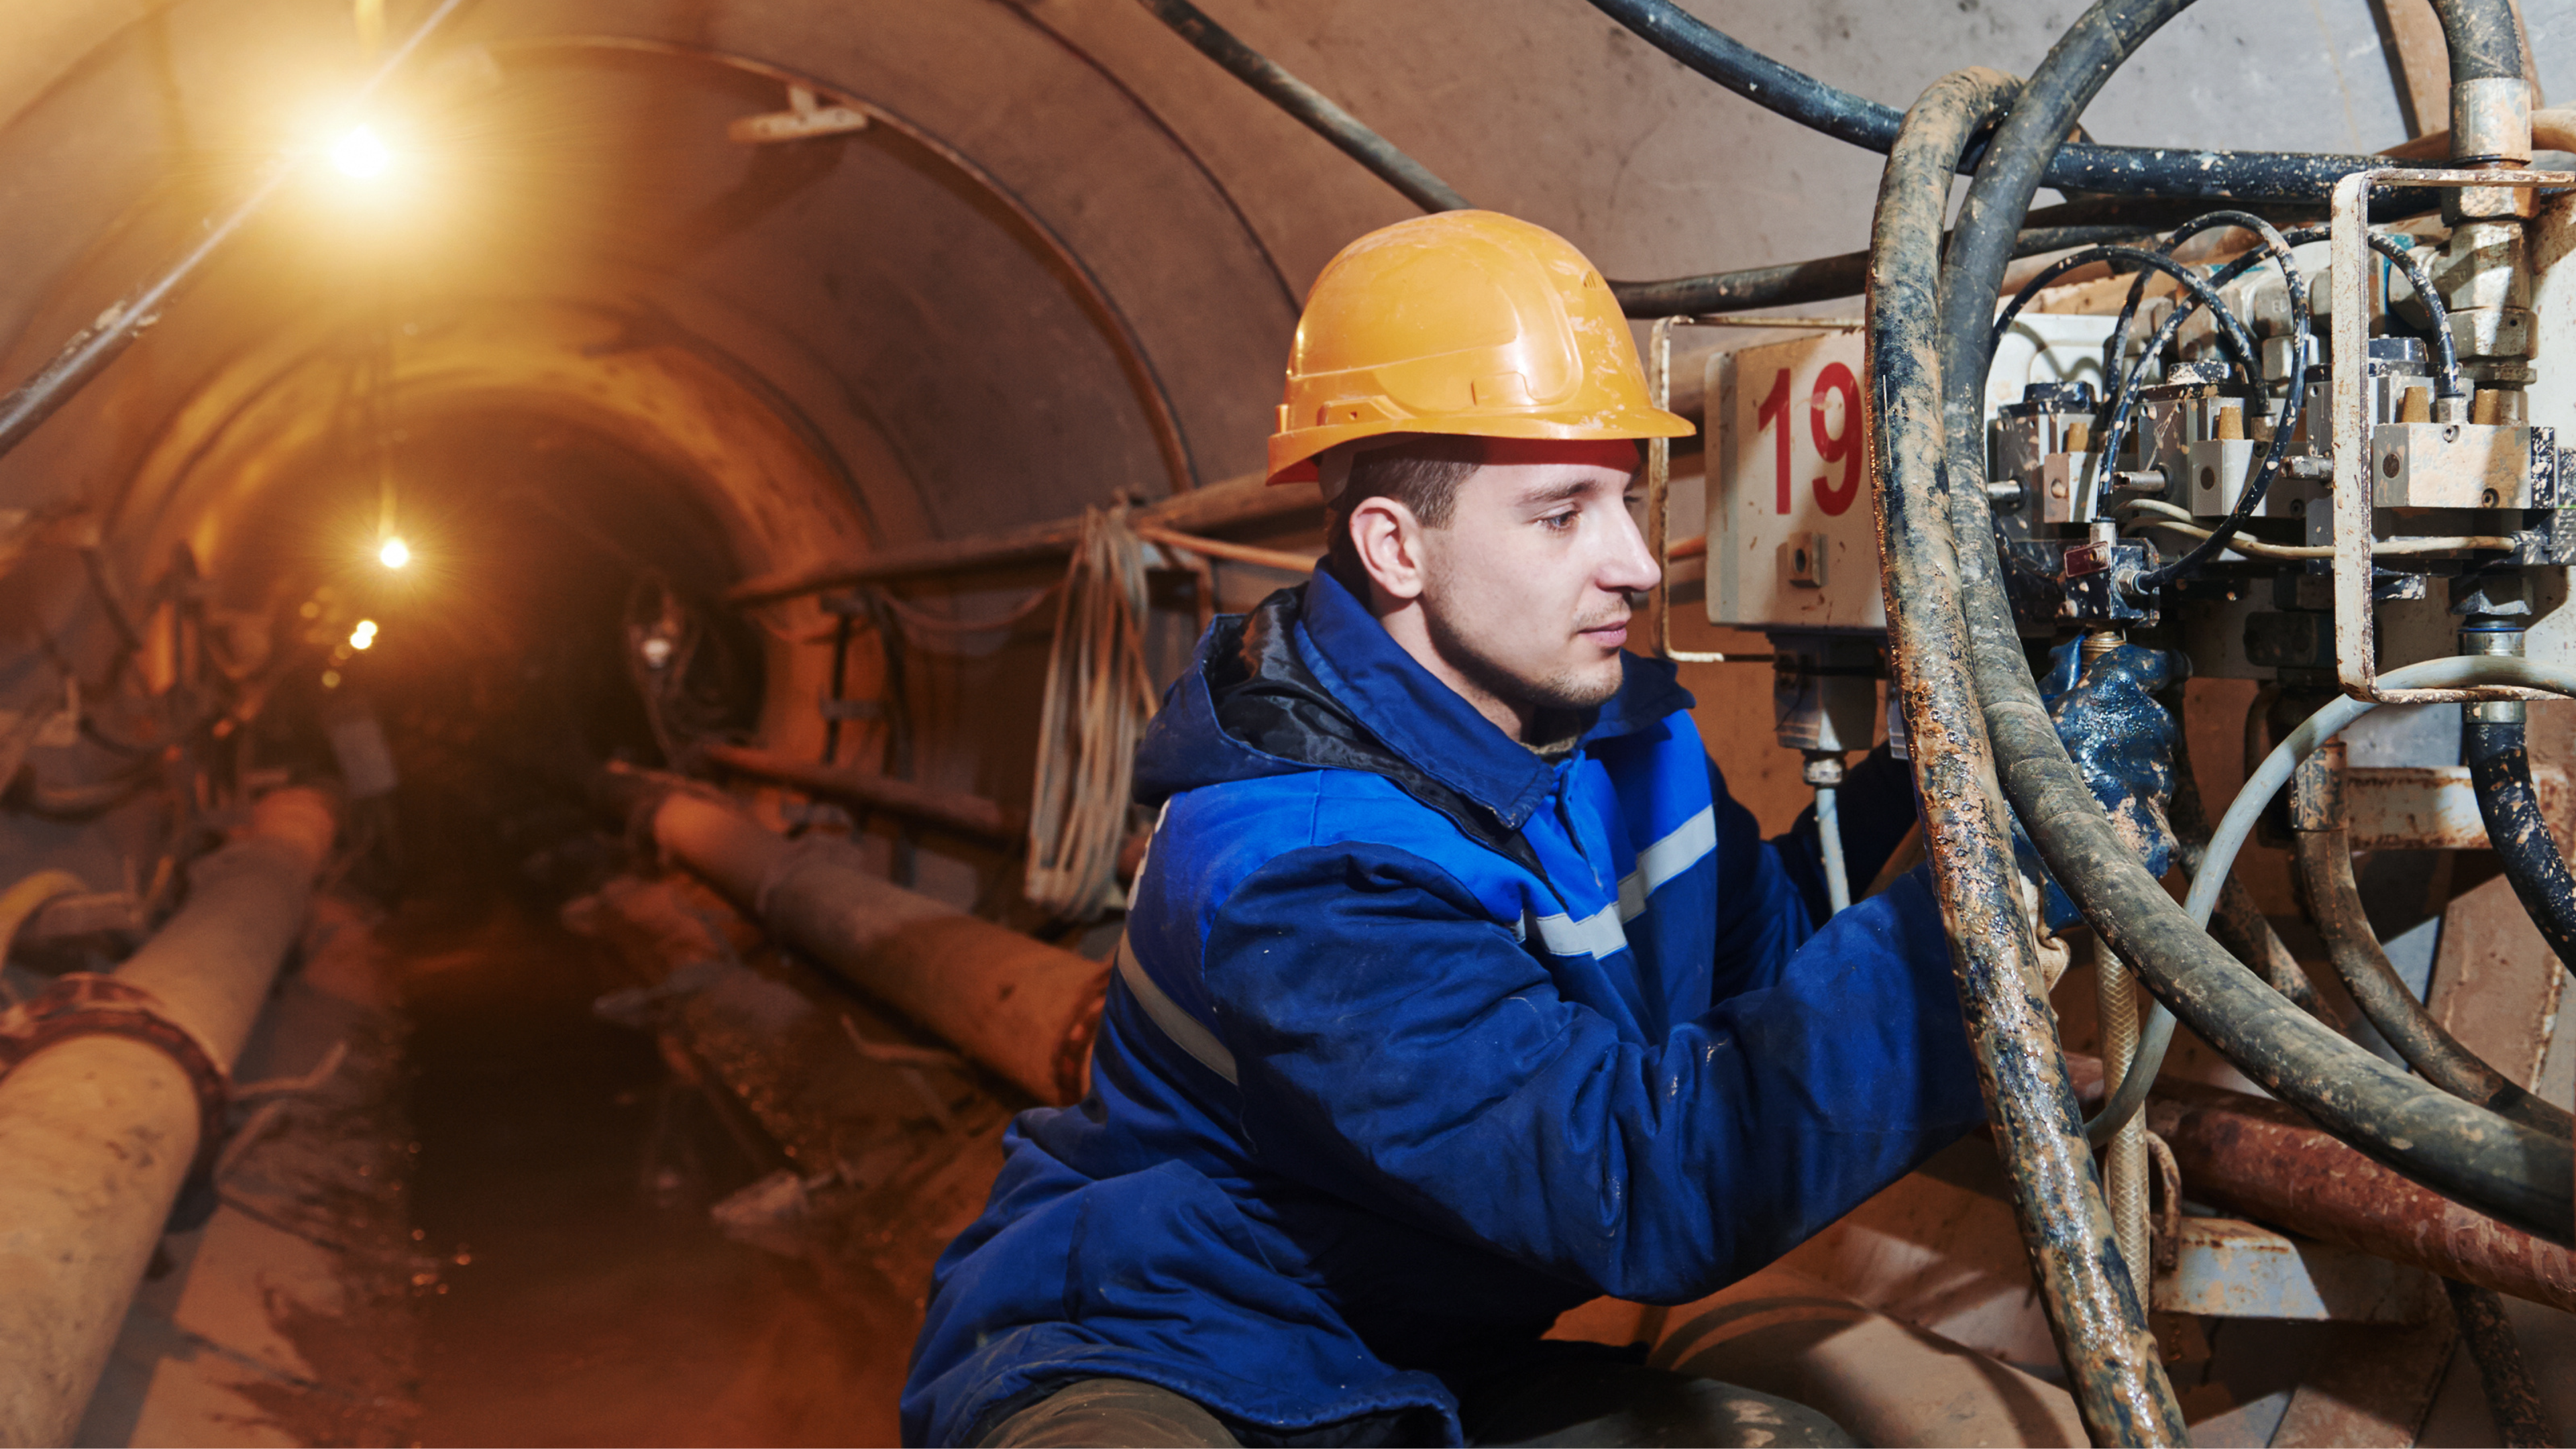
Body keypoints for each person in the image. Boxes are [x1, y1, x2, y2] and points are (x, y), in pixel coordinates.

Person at [903, 211, 2159, 1448]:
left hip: (1427, 1352)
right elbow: (1647, 1180)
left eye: (1624, 499)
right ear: (1395, 546)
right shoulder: (1301, 868)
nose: (1628, 561)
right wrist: (2003, 891)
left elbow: (1770, 974)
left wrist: (1974, 774)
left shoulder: (1620, 734)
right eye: (1561, 515)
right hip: (1181, 1356)